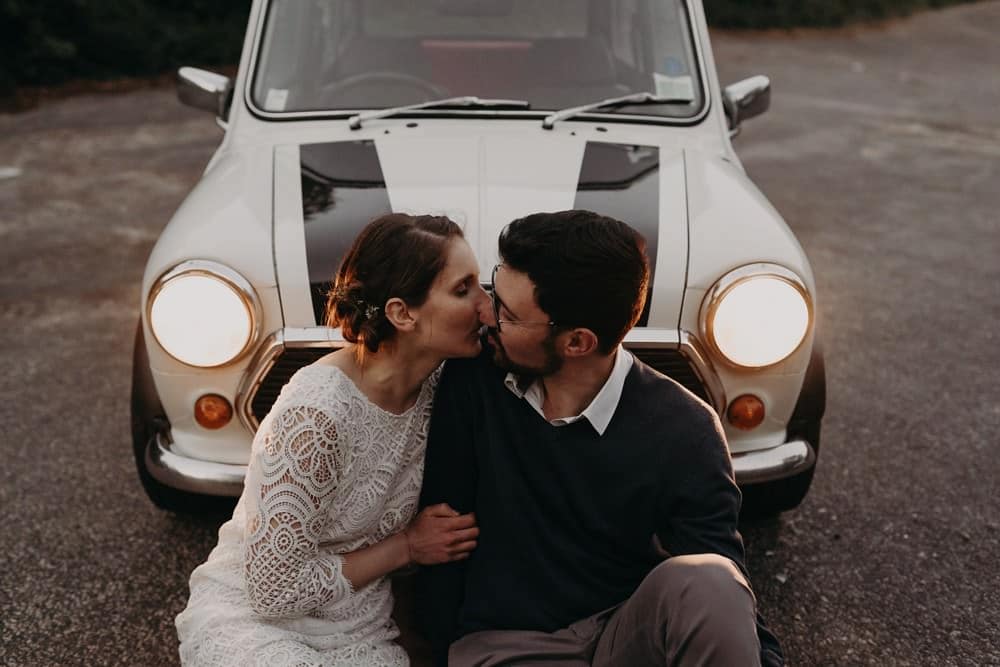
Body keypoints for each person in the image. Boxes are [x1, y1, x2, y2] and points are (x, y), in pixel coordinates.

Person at [416, 210, 784, 666]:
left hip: (623, 635)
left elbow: (727, 589)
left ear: (577, 343)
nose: (486, 313)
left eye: (508, 314)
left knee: (711, 579)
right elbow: (444, 539)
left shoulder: (684, 427)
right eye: (494, 290)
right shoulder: (472, 383)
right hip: (507, 646)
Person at [176, 213, 489, 666]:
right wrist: (407, 546)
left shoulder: (443, 387)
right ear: (402, 313)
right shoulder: (315, 416)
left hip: (359, 627)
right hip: (256, 623)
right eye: (464, 289)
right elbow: (273, 591)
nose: (485, 305)